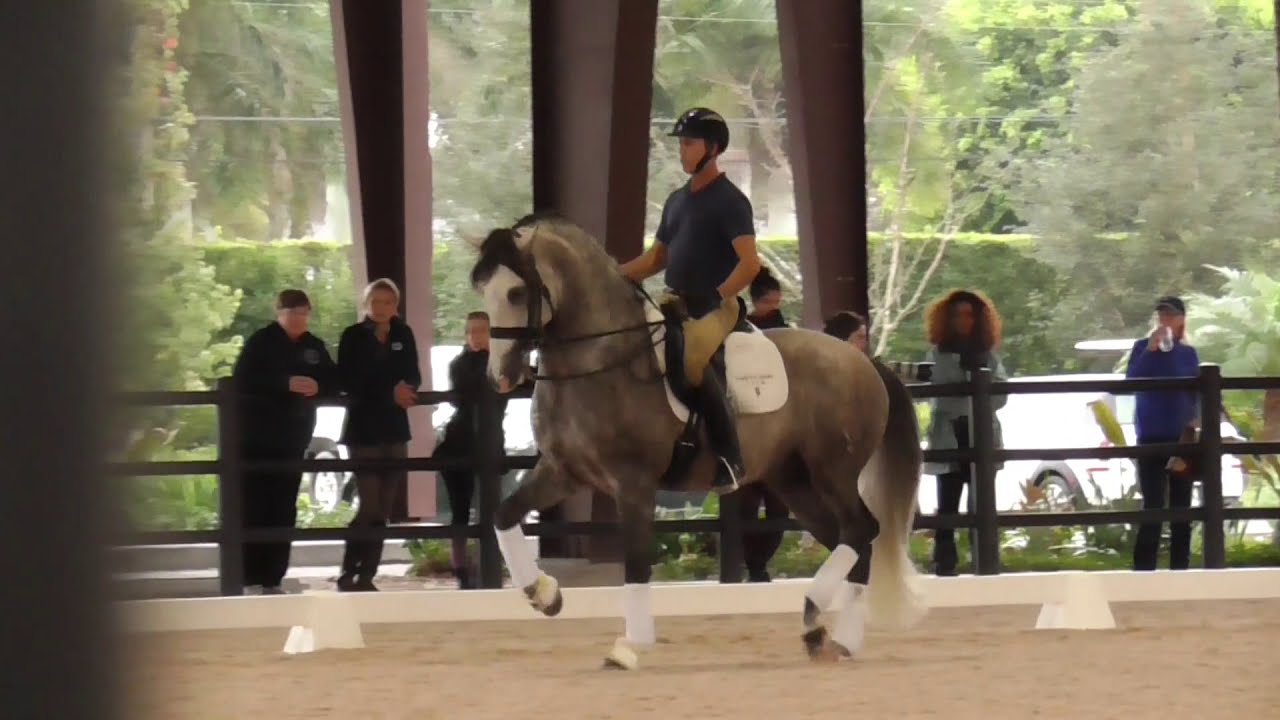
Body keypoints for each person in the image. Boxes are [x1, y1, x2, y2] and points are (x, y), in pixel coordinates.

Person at [621, 106, 762, 493]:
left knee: (693, 361)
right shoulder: (676, 201)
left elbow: (750, 265)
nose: (681, 151)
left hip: (717, 306)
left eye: (688, 143)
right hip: (674, 301)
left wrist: (715, 295)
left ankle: (730, 457)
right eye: (681, 144)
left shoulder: (731, 202)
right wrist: (610, 276)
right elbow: (655, 259)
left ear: (713, 148)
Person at [231, 289, 337, 594]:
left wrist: (318, 384)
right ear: (279, 314)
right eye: (291, 312)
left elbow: (334, 380)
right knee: (254, 507)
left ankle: (273, 577)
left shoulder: (314, 346)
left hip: (294, 439)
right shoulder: (261, 342)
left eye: (303, 312)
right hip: (256, 438)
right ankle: (249, 577)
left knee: (283, 508)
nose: (297, 318)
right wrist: (284, 384)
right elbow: (242, 380)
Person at [335, 278, 421, 592]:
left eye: (388, 302)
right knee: (368, 505)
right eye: (376, 302)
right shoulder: (353, 336)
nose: (382, 308)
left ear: (395, 306)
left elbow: (414, 374)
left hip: (395, 429)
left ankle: (367, 575)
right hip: (363, 429)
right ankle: (349, 571)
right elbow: (349, 378)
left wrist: (404, 389)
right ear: (366, 305)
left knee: (383, 509)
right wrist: (389, 391)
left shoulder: (404, 333)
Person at [921, 289, 1007, 577]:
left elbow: (1000, 395)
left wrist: (974, 389)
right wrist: (973, 391)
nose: (964, 321)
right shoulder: (938, 355)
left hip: (981, 435)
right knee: (948, 504)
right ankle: (944, 564)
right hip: (950, 435)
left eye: (970, 315)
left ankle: (983, 561)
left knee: (980, 504)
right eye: (958, 315)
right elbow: (943, 397)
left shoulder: (989, 356)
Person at [1125, 295, 1200, 572]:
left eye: (1170, 316)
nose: (1164, 321)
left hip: (1181, 439)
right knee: (1153, 506)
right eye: (1161, 316)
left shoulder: (1188, 354)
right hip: (1150, 435)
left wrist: (1194, 423)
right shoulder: (1141, 348)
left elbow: (1197, 393)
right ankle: (1143, 569)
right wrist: (1151, 350)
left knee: (1181, 508)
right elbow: (1130, 382)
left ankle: (1180, 569)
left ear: (1181, 320)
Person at [433, 311, 505, 589]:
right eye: (472, 331)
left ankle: (488, 564)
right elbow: (469, 389)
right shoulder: (459, 363)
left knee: (491, 508)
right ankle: (462, 569)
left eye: (482, 330)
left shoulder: (502, 361)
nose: (477, 336)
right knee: (460, 509)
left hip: (491, 441)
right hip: (460, 442)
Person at [736, 265, 790, 581]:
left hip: (777, 421)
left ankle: (758, 563)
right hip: (750, 414)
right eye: (769, 302)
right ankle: (752, 564)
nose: (775, 308)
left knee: (778, 510)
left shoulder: (785, 330)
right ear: (757, 300)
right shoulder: (744, 330)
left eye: (777, 301)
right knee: (745, 507)